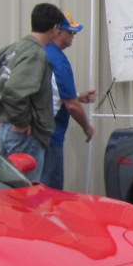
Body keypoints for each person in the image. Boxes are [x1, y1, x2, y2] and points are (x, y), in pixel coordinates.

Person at [0, 2, 68, 182]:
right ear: (55, 28)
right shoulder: (36, 54)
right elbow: (15, 91)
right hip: (24, 137)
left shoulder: (12, 49)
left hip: (5, 130)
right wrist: (21, 121)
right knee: (25, 191)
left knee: (8, 187)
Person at [41, 11, 98, 190]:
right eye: (71, 32)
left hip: (34, 134)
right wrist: (87, 128)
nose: (73, 36)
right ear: (58, 32)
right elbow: (72, 106)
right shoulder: (59, 61)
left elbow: (48, 92)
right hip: (51, 135)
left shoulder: (39, 54)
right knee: (50, 191)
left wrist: (77, 96)